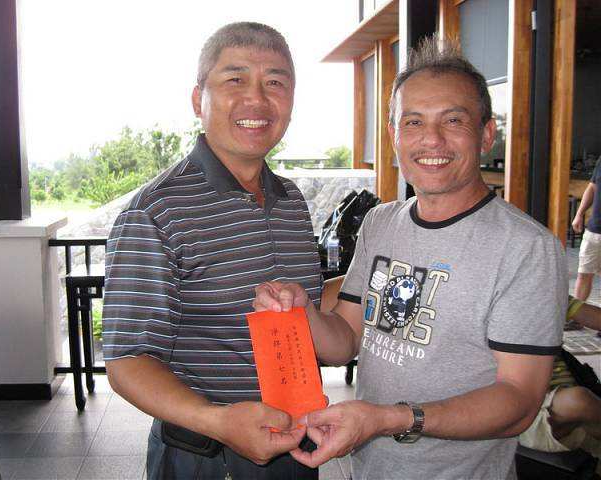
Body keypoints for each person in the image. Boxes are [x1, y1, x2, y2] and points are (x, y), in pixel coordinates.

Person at [254, 37, 568, 479]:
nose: (432, 139)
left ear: (486, 134)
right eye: (414, 121)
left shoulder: (527, 247)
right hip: (370, 469)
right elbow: (346, 339)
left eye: (453, 120)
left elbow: (518, 401)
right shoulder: (381, 223)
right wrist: (305, 312)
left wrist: (392, 419)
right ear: (394, 135)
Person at [102, 22, 323, 479]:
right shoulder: (157, 211)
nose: (256, 100)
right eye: (235, 79)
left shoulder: (291, 201)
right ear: (197, 99)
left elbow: (308, 320)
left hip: (298, 450)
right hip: (206, 458)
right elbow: (127, 361)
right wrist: (219, 422)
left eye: (275, 83)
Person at [520, 298, 601, 471]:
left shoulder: (548, 294)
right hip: (530, 414)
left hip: (569, 404)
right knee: (578, 400)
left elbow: (593, 316)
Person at [572, 159, 601, 301]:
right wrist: (579, 214)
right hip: (594, 230)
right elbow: (592, 187)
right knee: (584, 273)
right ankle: (575, 314)